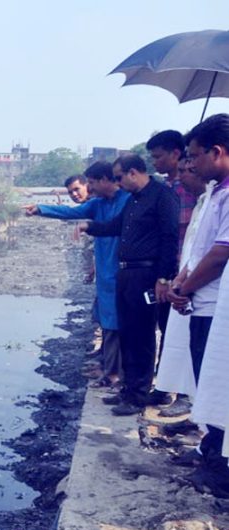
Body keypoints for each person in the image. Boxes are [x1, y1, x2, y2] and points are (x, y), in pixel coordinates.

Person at [77, 154, 178, 415]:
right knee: (127, 334)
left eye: (120, 177)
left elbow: (169, 238)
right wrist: (90, 226)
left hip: (146, 275)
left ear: (133, 172)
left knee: (142, 336)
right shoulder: (133, 200)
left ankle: (138, 396)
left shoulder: (162, 196)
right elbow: (115, 226)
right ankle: (127, 389)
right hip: (126, 274)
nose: (118, 182)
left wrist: (163, 278)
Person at [163, 114, 229, 491]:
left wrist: (185, 289)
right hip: (200, 303)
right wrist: (181, 282)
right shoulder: (214, 193)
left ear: (217, 152)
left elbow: (221, 254)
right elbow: (199, 249)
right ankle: (210, 449)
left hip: (216, 305)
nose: (190, 164)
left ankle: (219, 466)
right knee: (207, 379)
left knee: (219, 380)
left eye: (195, 156)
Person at [25, 165, 129, 387]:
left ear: (104, 180)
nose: (87, 188)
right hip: (105, 270)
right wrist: (41, 209)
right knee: (108, 322)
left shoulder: (128, 200)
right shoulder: (98, 204)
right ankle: (111, 370)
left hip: (124, 270)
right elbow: (71, 213)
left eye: (90, 183)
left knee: (119, 324)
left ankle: (116, 373)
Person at [146, 130, 193, 404]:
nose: (155, 162)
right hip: (167, 268)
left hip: (188, 271)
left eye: (159, 156)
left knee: (187, 330)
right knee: (166, 326)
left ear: (176, 154)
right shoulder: (162, 189)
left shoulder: (194, 190)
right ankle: (164, 386)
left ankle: (185, 394)